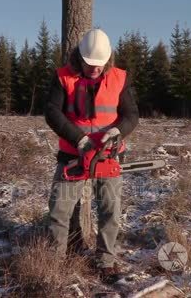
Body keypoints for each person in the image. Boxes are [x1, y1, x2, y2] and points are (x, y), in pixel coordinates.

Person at [44, 28, 139, 282]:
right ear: (80, 57)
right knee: (60, 211)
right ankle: (55, 262)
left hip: (108, 157)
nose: (95, 69)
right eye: (90, 64)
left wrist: (117, 131)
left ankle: (105, 261)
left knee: (110, 210)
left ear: (108, 59)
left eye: (100, 65)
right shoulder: (63, 77)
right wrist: (79, 139)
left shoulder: (119, 78)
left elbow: (132, 115)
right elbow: (52, 113)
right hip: (72, 156)